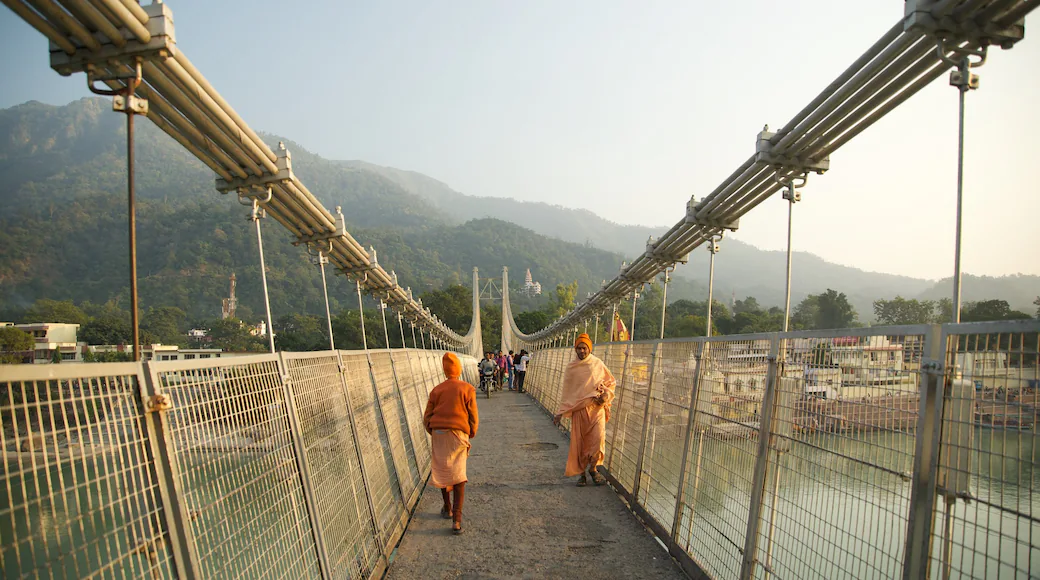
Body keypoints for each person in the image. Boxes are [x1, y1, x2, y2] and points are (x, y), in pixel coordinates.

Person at [424, 352, 479, 534]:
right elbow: (473, 416)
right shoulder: (467, 389)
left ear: (444, 369)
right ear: (459, 369)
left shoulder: (436, 390)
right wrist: (470, 432)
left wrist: (433, 431)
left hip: (439, 433)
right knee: (458, 474)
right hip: (458, 433)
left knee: (442, 470)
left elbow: (427, 417)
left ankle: (447, 508)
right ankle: (457, 520)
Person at [553, 334, 615, 487]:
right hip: (579, 410)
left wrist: (605, 394)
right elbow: (568, 393)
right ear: (575, 350)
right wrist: (560, 412)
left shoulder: (597, 364)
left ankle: (593, 469)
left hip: (596, 408)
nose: (581, 351)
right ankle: (582, 474)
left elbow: (610, 382)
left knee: (598, 440)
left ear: (589, 349)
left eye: (584, 348)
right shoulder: (571, 368)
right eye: (579, 348)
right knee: (580, 443)